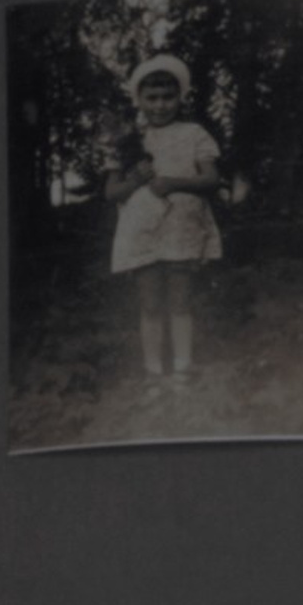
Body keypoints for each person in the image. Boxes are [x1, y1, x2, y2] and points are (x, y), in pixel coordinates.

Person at [108, 53, 237, 382]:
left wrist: (174, 183)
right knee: (150, 304)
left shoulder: (194, 133)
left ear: (180, 97)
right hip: (142, 231)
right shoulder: (128, 139)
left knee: (180, 302)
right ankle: (153, 372)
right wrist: (135, 180)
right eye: (152, 98)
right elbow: (111, 192)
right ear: (139, 100)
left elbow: (211, 180)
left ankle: (182, 368)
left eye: (168, 96)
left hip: (181, 228)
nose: (160, 105)